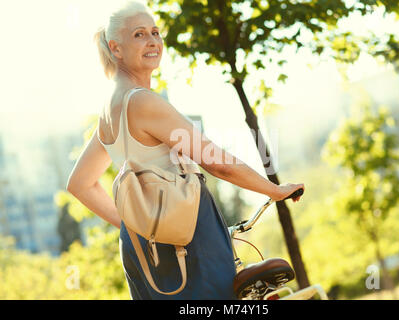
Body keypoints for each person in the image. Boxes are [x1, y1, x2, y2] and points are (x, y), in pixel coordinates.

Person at [66, 1, 304, 300]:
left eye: (155, 32)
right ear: (116, 48)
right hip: (188, 235)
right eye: (139, 34)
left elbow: (80, 184)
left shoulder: (109, 110)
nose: (153, 41)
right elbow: (217, 163)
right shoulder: (142, 101)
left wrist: (140, 223)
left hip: (140, 247)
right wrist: (275, 190)